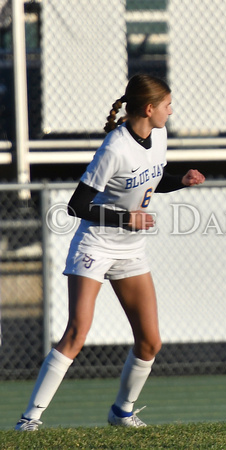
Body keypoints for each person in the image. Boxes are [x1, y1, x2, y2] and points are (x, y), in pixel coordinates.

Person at [15, 74, 205, 431]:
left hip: (131, 251)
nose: (171, 111)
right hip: (96, 245)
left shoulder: (159, 135)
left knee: (150, 341)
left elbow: (149, 179)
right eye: (167, 105)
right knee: (77, 332)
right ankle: (30, 419)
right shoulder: (114, 147)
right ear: (149, 109)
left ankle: (122, 411)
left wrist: (180, 180)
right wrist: (124, 218)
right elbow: (77, 205)